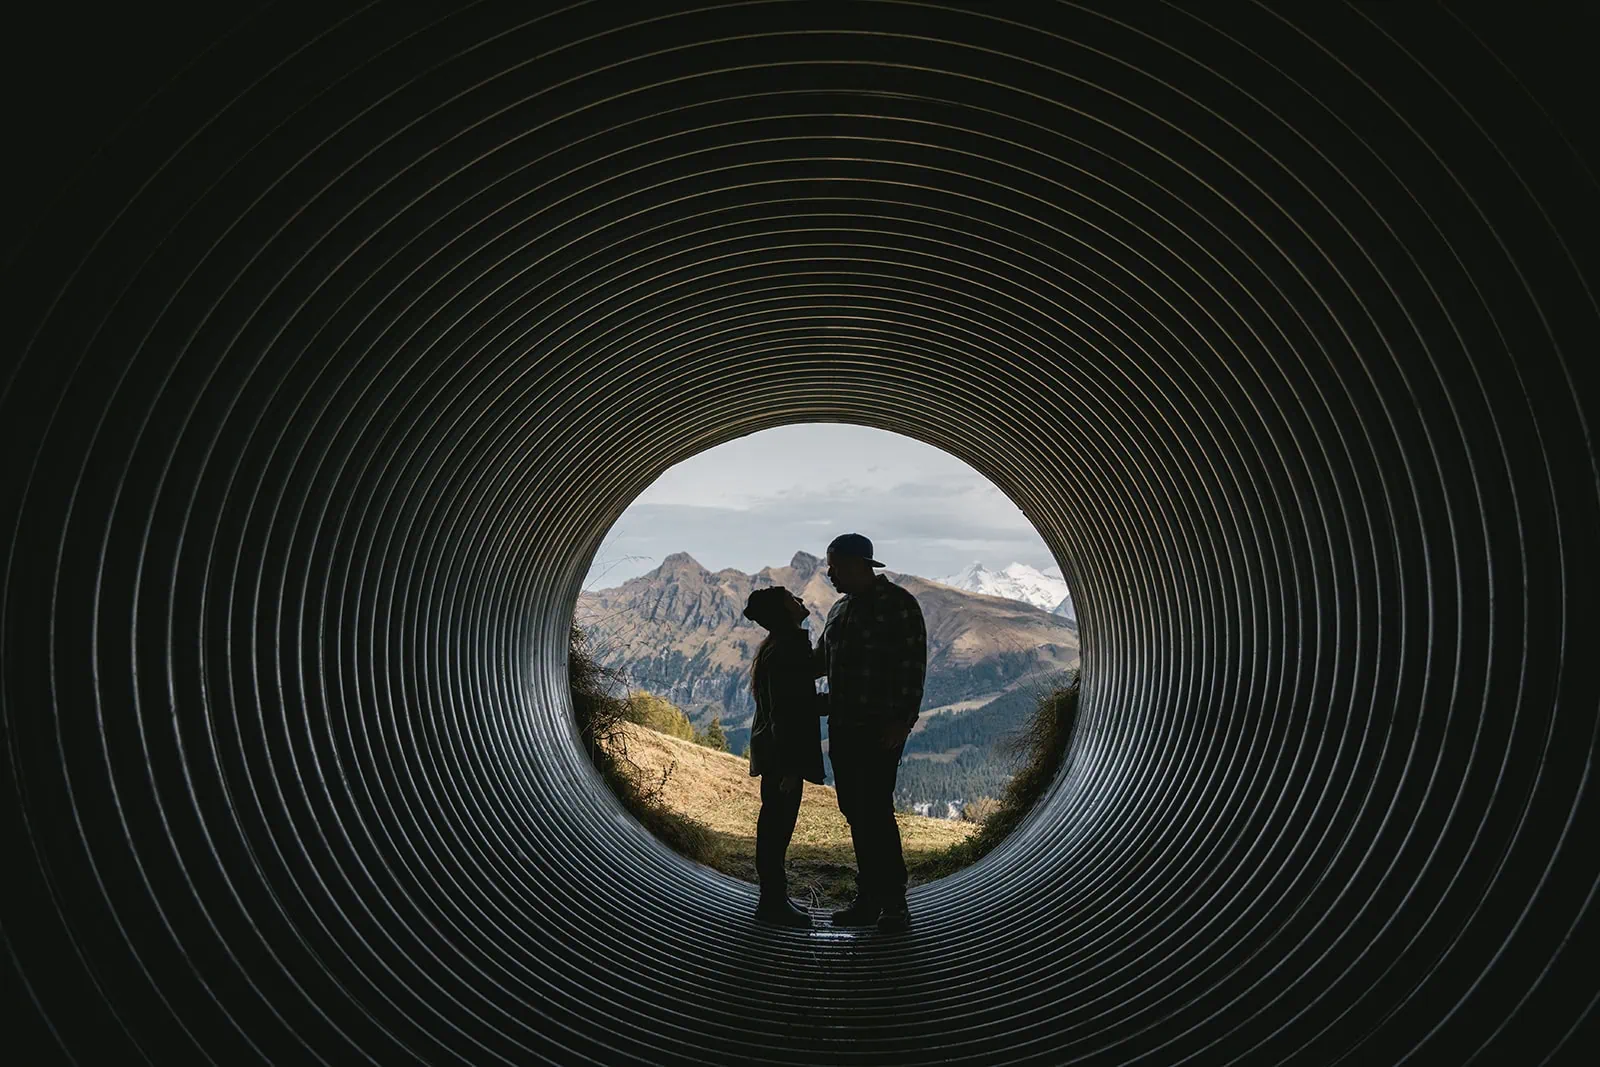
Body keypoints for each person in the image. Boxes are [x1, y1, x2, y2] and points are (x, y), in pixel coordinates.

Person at [814, 533, 927, 933]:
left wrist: (903, 720)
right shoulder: (839, 610)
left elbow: (913, 665)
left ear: (860, 564)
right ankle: (869, 898)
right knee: (856, 812)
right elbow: (821, 663)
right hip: (843, 728)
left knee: (874, 812)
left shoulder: (899, 605)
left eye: (835, 566)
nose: (829, 574)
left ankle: (893, 903)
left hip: (879, 729)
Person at [741, 585, 827, 927]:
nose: (802, 601)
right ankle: (772, 903)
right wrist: (791, 769)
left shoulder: (779, 647)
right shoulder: (787, 649)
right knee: (776, 828)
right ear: (783, 611)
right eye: (794, 599)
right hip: (782, 757)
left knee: (773, 825)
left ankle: (773, 899)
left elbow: (797, 702)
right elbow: (787, 715)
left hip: (774, 752)